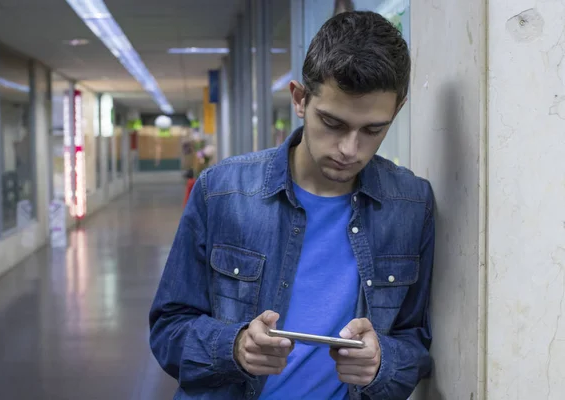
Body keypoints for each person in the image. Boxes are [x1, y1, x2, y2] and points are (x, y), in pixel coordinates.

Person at [150, 10, 434, 400]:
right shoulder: (223, 191)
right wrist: (233, 347)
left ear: (396, 111)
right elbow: (168, 329)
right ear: (300, 99)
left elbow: (415, 340)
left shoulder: (411, 204)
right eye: (332, 123)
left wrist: (382, 362)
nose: (350, 149)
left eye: (372, 130)